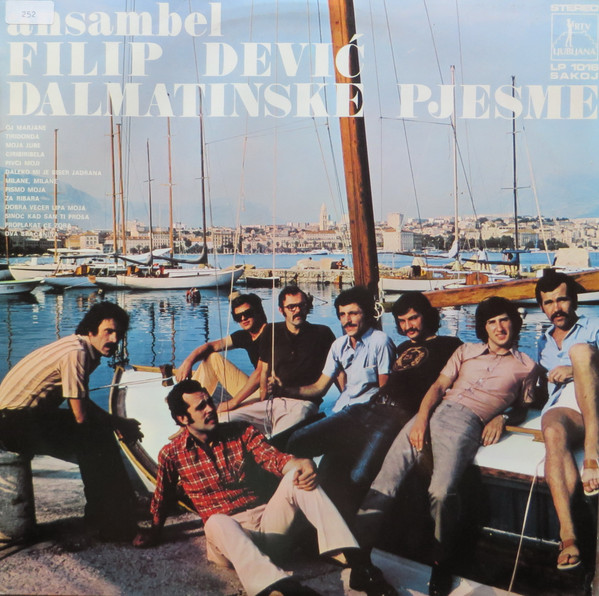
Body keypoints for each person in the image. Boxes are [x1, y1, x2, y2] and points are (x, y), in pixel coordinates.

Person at [133, 380, 397, 596]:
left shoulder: (241, 431)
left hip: (268, 525)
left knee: (296, 479)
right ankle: (279, 588)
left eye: (210, 402)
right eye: (201, 407)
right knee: (215, 522)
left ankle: (358, 564)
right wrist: (154, 531)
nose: (210, 409)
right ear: (182, 418)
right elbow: (162, 496)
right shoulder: (172, 454)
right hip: (228, 540)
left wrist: (300, 464)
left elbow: (274, 459)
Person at [354, 297, 538, 596]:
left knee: (441, 492)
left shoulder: (527, 366)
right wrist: (420, 420)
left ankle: (442, 561)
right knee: (383, 485)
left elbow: (524, 406)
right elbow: (438, 386)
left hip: (466, 423)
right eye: (491, 322)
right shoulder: (465, 351)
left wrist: (502, 417)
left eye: (504, 320)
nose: (499, 327)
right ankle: (359, 561)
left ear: (514, 323)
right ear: (484, 328)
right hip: (433, 412)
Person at [286, 291, 462, 519]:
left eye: (413, 318)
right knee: (296, 439)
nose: (408, 326)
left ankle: (343, 520)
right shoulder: (401, 347)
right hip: (367, 407)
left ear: (427, 316)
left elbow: (466, 382)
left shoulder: (450, 345)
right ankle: (306, 498)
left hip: (397, 417)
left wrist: (498, 416)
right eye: (402, 321)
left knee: (359, 475)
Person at [0, 302, 143, 541]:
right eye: (108, 331)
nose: (114, 339)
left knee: (96, 434)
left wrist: (117, 422)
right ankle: (114, 524)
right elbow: (80, 416)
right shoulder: (77, 353)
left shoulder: (78, 347)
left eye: (118, 334)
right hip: (12, 423)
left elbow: (81, 401)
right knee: (94, 440)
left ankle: (104, 515)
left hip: (18, 419)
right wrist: (114, 425)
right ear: (91, 330)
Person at [535, 271, 599, 571]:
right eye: (549, 303)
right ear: (542, 307)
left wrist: (576, 369)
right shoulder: (543, 343)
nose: (556, 308)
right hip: (567, 408)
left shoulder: (594, 325)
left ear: (573, 300)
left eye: (561, 300)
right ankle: (568, 534)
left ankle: (592, 453)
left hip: (595, 400)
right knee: (552, 430)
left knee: (580, 351)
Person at [225, 286, 335, 437]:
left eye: (301, 305)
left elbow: (338, 372)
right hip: (272, 402)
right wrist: (262, 401)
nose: (297, 310)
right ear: (281, 310)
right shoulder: (271, 331)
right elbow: (263, 371)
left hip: (302, 404)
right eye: (291, 307)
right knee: (223, 420)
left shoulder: (322, 333)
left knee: (279, 436)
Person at [176, 293, 267, 415]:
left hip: (268, 393)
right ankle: (189, 403)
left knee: (223, 410)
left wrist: (232, 403)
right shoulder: (246, 335)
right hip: (257, 387)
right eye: (238, 316)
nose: (243, 318)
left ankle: (189, 409)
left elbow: (260, 373)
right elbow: (211, 346)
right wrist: (188, 362)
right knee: (212, 357)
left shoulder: (270, 333)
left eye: (248, 313)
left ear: (257, 311)